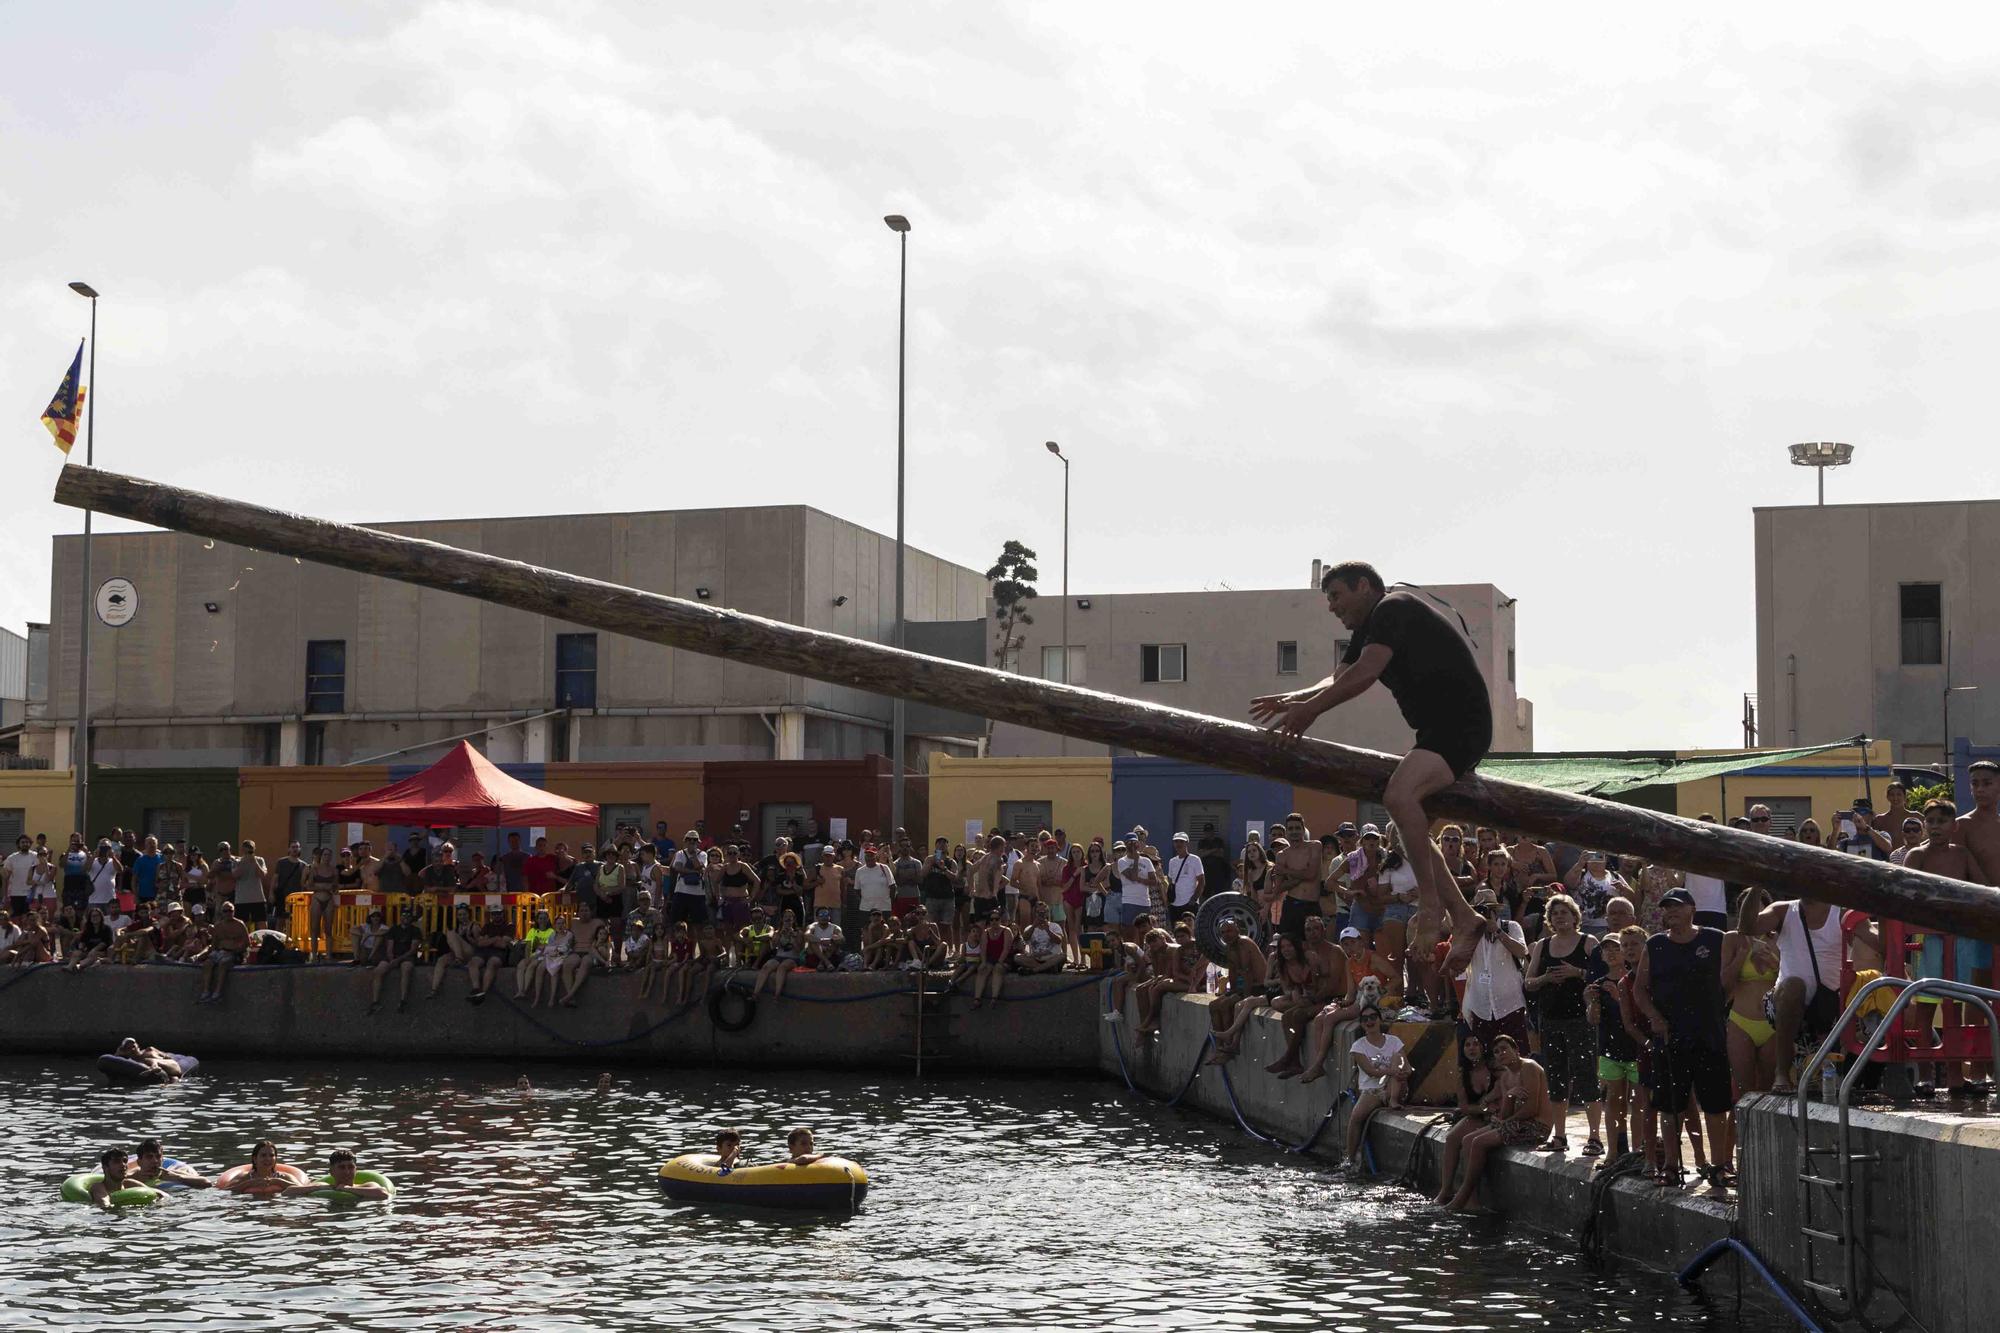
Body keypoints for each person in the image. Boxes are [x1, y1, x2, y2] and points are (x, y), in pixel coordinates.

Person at [1253, 564, 1493, 971]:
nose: (1332, 607)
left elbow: (1366, 674)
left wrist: (1309, 712)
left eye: (1336, 596)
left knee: (1397, 796)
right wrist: (1295, 698)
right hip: (1437, 730)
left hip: (1460, 726)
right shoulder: (1370, 628)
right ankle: (1466, 917)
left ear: (1363, 586)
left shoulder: (1393, 608)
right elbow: (1338, 677)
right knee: (1408, 825)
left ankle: (1432, 906)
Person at [1633, 888, 1735, 1188]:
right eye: (1667, 908)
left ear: (1692, 908)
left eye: (1677, 907)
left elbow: (1732, 978)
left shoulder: (1715, 938)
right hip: (1671, 1036)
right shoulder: (1655, 944)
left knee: (1716, 1105)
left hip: (1709, 1034)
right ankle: (1671, 1165)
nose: (1671, 912)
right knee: (1669, 1106)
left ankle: (1718, 1165)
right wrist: (1654, 1017)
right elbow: (1640, 988)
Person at [1522, 893, 1598, 1156]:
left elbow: (1601, 976)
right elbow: (1528, 982)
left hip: (1581, 1019)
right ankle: (1560, 1135)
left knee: (1587, 1075)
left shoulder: (1588, 942)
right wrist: (1545, 979)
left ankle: (1595, 1136)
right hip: (1551, 1019)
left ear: (1574, 915)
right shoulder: (1543, 945)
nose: (1559, 917)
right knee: (1556, 1077)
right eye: (1555, 913)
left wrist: (1577, 973)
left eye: (1564, 912)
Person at [1442, 1032, 1554, 1211]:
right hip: (1517, 1123)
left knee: (1478, 1142)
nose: (1501, 1054)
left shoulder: (1529, 1067)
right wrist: (1509, 1097)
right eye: (1496, 1051)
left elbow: (1532, 1109)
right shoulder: (1505, 1077)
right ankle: (1471, 1201)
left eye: (1504, 1049)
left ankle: (1461, 1196)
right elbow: (1504, 1114)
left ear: (1516, 1050)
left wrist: (1505, 1120)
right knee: (1467, 1140)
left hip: (1537, 1126)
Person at [1720, 888, 1782, 1097]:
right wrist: (1742, 955)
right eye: (1746, 910)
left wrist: (1773, 962)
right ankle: (1741, 1130)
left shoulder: (1780, 939)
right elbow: (1724, 983)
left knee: (1768, 1088)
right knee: (1743, 1090)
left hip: (1773, 1022)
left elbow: (1790, 981)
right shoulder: (1731, 939)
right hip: (1740, 1020)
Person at [1341, 1006, 1411, 1176]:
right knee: (1356, 1117)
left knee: (1397, 1058)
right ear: (1362, 1024)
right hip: (1372, 1089)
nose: (1370, 1021)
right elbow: (1371, 1071)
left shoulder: (1394, 1041)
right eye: (1365, 1019)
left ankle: (1393, 1099)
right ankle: (1350, 1158)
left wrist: (1402, 1072)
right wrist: (1392, 1071)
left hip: (1395, 1085)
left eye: (1373, 1017)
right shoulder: (1359, 1046)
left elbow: (1407, 1067)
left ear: (1379, 1019)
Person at [1432, 1034, 1501, 1205]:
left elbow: (1505, 1092)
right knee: (1451, 1138)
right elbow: (1464, 1107)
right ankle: (1446, 1190)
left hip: (1498, 1116)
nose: (1472, 1048)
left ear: (1483, 1048)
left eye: (1476, 1044)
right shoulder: (1464, 1074)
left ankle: (1471, 1198)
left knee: (1468, 1143)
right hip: (1478, 1115)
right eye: (1467, 1045)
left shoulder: (1497, 1069)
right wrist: (1483, 1109)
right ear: (1463, 1051)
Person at [1204, 918, 1270, 1065]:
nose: (1226, 935)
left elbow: (1248, 973)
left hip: (1258, 987)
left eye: (1229, 931)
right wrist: (1232, 991)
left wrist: (1242, 996)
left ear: (1237, 931)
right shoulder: (1229, 948)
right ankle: (1220, 1048)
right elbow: (1233, 973)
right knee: (1213, 1005)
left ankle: (1229, 1046)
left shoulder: (1244, 943)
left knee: (1228, 1004)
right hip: (1245, 987)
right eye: (1223, 933)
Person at [368, 906, 422, 1014]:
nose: (405, 917)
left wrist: (398, 960)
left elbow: (413, 949)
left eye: (408, 915)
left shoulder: (416, 930)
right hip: (393, 955)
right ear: (400, 917)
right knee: (378, 971)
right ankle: (375, 1002)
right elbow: (389, 947)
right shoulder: (393, 929)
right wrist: (391, 958)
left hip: (407, 956)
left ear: (411, 918)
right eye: (403, 915)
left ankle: (403, 1000)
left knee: (406, 969)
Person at [281, 1148, 390, 1201]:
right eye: (342, 1167)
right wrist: (317, 1187)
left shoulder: (367, 1186)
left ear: (356, 1170)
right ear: (331, 1171)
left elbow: (383, 1194)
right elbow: (287, 1192)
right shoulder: (322, 1186)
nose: (347, 1172)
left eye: (351, 1167)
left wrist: (348, 1189)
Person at [196, 901, 252, 1003]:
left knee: (223, 963)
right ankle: (206, 990)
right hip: (220, 952)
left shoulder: (240, 925)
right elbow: (214, 945)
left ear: (234, 911)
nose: (228, 913)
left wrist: (236, 949)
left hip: (234, 953)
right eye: (225, 911)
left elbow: (247, 943)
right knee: (208, 963)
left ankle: (218, 992)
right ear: (222, 912)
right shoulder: (218, 926)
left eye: (230, 911)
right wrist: (205, 955)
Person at [429, 904, 479, 999]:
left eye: (464, 914)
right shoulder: (457, 927)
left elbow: (479, 944)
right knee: (441, 960)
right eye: (460, 915)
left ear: (468, 915)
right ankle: (434, 989)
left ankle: (458, 958)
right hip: (457, 953)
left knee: (450, 933)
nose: (462, 917)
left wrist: (468, 937)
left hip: (470, 952)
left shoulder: (474, 926)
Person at [468, 905, 514, 1001]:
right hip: (484, 951)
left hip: (499, 953)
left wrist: (488, 939)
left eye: (498, 913)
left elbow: (503, 945)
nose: (496, 916)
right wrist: (496, 939)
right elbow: (480, 943)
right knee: (473, 962)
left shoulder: (509, 926)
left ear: (502, 914)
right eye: (494, 914)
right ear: (491, 915)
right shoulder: (487, 926)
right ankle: (475, 989)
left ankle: (483, 992)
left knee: (492, 963)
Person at [968, 912, 1013, 1010]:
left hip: (1004, 959)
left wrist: (999, 962)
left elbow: (1006, 949)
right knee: (982, 970)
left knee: (998, 969)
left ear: (1000, 920)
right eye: (992, 919)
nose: (994, 921)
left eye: (996, 919)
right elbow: (983, 949)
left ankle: (994, 998)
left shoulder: (1007, 931)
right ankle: (977, 999)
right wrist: (983, 962)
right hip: (990, 959)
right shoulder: (986, 932)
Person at [129, 1137, 211, 1188]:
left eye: (158, 1156)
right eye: (149, 1157)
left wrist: (178, 1177)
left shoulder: (169, 1173)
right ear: (139, 1162)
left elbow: (207, 1182)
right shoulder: (133, 1176)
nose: (155, 1161)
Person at [1014, 900, 1066, 975]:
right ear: (1035, 914)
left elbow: (1059, 941)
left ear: (1047, 913)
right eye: (1039, 913)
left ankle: (1034, 970)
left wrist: (1048, 930)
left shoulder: (1055, 926)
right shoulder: (1029, 928)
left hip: (1052, 958)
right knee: (1017, 957)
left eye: (1044, 912)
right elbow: (1024, 938)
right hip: (1035, 959)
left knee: (1063, 956)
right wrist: (1033, 927)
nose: (1042, 915)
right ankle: (1046, 969)